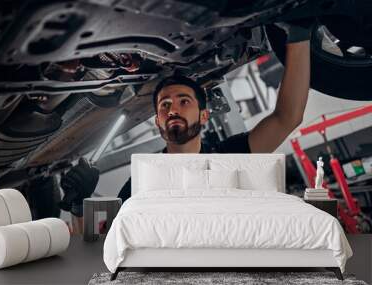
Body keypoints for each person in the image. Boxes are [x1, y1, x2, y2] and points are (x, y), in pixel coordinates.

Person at [60, 20, 313, 228]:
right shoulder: (141, 180)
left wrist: (299, 35)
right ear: (158, 122)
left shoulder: (229, 155)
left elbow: (287, 117)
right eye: (165, 105)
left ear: (204, 115)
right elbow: (103, 246)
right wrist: (79, 206)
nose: (173, 110)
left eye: (183, 101)